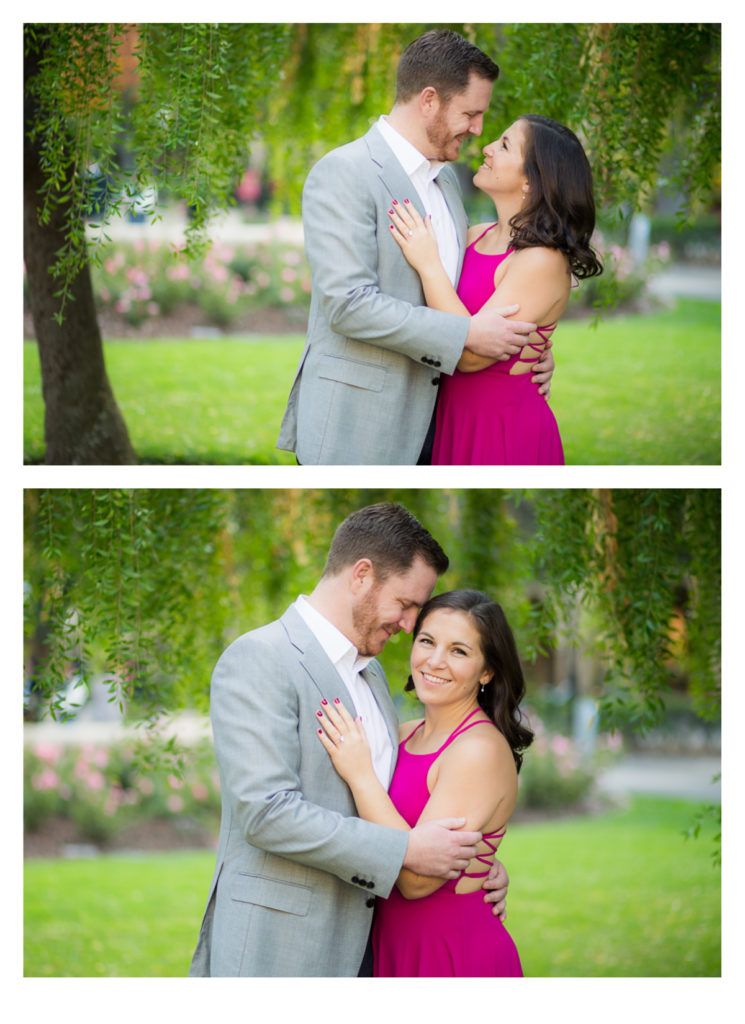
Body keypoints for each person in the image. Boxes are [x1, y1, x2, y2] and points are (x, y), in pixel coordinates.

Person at [188, 504, 510, 978]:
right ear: (362, 575)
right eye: (406, 605)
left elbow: (416, 794)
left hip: (368, 949)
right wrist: (404, 853)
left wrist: (478, 870)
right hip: (280, 949)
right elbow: (265, 812)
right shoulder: (261, 657)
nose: (408, 625)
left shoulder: (373, 673)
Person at [276, 30, 555, 465]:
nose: (479, 129)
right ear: (429, 100)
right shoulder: (344, 172)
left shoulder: (446, 180)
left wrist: (524, 349)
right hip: (359, 428)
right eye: (470, 113)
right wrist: (467, 336)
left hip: (442, 425)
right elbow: (347, 304)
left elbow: (474, 286)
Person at [317, 589, 533, 976]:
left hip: (450, 954)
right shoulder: (400, 734)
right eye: (427, 641)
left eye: (459, 651)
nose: (435, 661)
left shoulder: (478, 749)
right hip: (389, 946)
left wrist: (361, 775)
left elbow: (417, 881)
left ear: (487, 671)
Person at [387, 114, 603, 464]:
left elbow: (471, 356)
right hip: (453, 419)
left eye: (504, 145)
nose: (486, 148)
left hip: (502, 429)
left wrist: (429, 265)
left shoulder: (542, 260)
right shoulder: (477, 234)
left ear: (533, 180)